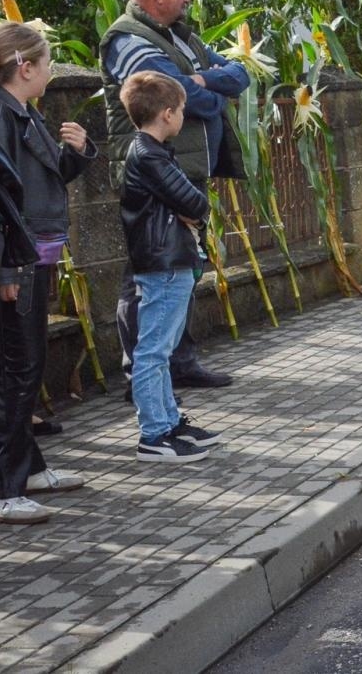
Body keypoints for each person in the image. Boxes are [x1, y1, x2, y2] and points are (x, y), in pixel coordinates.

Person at [101, 0, 248, 391]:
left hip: (183, 167)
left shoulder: (181, 35)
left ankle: (178, 363)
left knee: (184, 267)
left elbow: (238, 72)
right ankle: (141, 375)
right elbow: (190, 99)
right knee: (146, 274)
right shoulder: (127, 39)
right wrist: (209, 91)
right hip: (152, 172)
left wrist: (203, 80)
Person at [0, 24, 92, 523]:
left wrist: (80, 152)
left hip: (33, 253)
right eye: (46, 62)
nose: (49, 71)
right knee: (15, 368)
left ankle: (28, 466)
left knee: (28, 364)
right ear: (26, 67)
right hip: (13, 260)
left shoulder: (23, 112)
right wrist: (4, 269)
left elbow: (48, 175)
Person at [118, 71, 223, 462]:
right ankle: (154, 432)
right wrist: (191, 212)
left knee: (161, 348)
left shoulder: (155, 151)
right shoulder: (147, 154)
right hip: (162, 262)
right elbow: (196, 203)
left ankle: (169, 420)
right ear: (166, 114)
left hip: (171, 259)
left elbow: (188, 205)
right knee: (153, 351)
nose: (183, 116)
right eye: (181, 109)